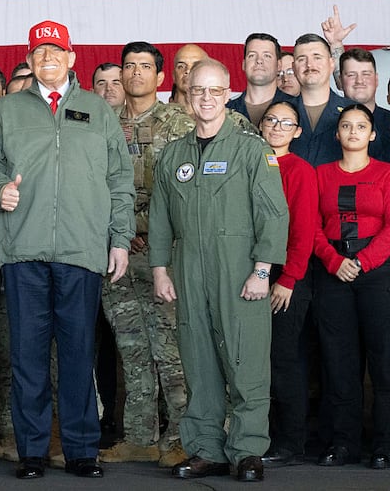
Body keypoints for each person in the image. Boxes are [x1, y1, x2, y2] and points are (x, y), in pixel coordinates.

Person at [0, 19, 135, 480]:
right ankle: (33, 452)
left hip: (82, 251)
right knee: (28, 355)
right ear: (29, 59)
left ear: (71, 58)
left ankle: (83, 450)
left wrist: (119, 239)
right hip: (23, 250)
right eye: (40, 53)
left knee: (80, 353)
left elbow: (120, 181)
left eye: (56, 51)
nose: (48, 59)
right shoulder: (5, 110)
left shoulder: (97, 111)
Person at [149, 58, 289, 482]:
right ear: (187, 96)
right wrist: (159, 269)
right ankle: (207, 449)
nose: (205, 99)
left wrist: (262, 271)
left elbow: (273, 214)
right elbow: (159, 217)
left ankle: (247, 450)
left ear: (228, 94)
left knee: (246, 364)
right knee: (199, 364)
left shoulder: (251, 149)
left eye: (214, 91)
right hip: (189, 270)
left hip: (240, 271)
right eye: (197, 91)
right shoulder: (174, 154)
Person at [98, 42, 191, 468]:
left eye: (145, 67)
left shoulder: (180, 123)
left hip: (164, 254)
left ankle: (181, 436)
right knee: (131, 348)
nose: (136, 73)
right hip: (115, 251)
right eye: (129, 66)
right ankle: (139, 436)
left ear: (160, 77)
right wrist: (121, 230)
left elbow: (186, 191)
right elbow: (92, 184)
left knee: (170, 349)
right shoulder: (102, 123)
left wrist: (151, 232)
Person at [312, 104, 390, 470]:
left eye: (362, 126)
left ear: (372, 135)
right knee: (339, 362)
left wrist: (362, 262)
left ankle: (384, 445)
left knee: (384, 360)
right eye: (346, 125)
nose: (354, 131)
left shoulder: (386, 174)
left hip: (377, 272)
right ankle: (344, 444)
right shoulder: (320, 175)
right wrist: (334, 261)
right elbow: (310, 226)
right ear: (337, 134)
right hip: (333, 272)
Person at [256, 101, 317, 468]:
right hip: (253, 273)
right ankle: (257, 434)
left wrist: (290, 278)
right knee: (256, 360)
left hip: (288, 276)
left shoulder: (299, 170)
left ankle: (290, 441)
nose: (277, 127)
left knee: (283, 358)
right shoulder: (252, 162)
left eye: (286, 123)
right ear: (260, 125)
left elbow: (304, 230)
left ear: (297, 131)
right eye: (271, 120)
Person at [289, 33, 354, 166]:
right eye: (302, 59)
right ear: (294, 68)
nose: (309, 65)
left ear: (331, 64)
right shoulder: (279, 114)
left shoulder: (355, 112)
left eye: (317, 57)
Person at [227, 33, 294, 125]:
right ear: (244, 64)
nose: (259, 60)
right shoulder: (225, 112)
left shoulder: (298, 108)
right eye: (252, 55)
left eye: (267, 56)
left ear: (278, 65)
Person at [339, 48, 390, 160]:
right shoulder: (330, 123)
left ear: (376, 80)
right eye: (351, 75)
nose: (359, 81)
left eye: (366, 74)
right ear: (340, 81)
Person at [170, 44, 208, 117]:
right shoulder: (156, 121)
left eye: (196, 66)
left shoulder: (228, 121)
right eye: (181, 66)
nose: (188, 70)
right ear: (174, 76)